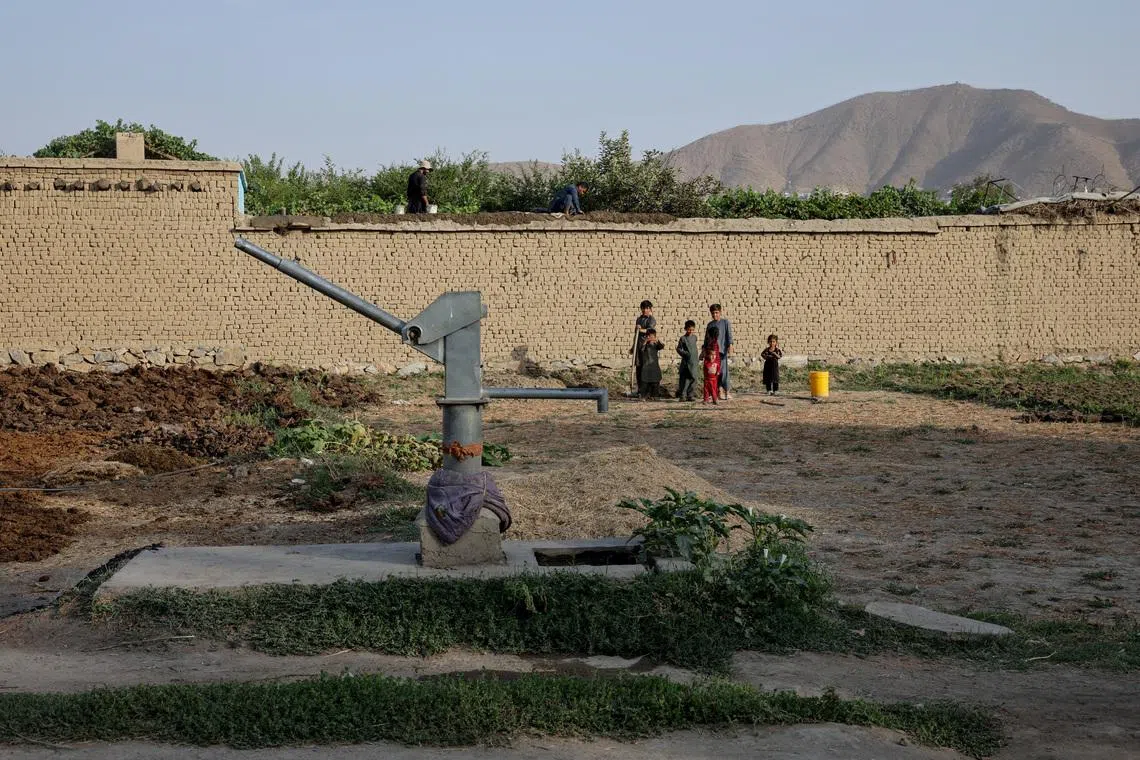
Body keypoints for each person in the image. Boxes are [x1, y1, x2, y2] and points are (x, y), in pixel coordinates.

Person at [705, 303, 734, 400]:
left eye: (717, 313)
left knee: (724, 372)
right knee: (714, 372)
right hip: (712, 353)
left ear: (720, 312)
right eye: (713, 313)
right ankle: (719, 391)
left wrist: (730, 345)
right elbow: (706, 339)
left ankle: (727, 391)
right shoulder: (710, 325)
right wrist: (704, 350)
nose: (715, 315)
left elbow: (729, 335)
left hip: (722, 351)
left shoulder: (725, 323)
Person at [628, 300, 656, 394]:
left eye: (647, 308)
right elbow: (636, 334)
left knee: (646, 367)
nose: (645, 310)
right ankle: (640, 389)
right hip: (638, 346)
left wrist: (640, 329)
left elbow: (650, 331)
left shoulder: (651, 319)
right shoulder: (639, 319)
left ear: (650, 309)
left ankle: (647, 390)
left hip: (646, 347)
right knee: (638, 366)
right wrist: (633, 347)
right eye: (643, 308)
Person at [675, 320, 699, 401]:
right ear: (685, 329)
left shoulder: (695, 337)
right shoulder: (683, 338)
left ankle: (690, 395)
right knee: (685, 380)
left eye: (692, 330)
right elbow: (678, 349)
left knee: (694, 378)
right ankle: (683, 395)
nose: (691, 331)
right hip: (686, 362)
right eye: (689, 330)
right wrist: (685, 353)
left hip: (694, 362)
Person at [638, 328, 665, 399]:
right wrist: (645, 342)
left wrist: (657, 341)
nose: (651, 338)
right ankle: (644, 395)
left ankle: (655, 395)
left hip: (654, 366)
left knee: (655, 381)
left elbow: (661, 346)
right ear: (646, 336)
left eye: (653, 336)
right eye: (649, 336)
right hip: (646, 366)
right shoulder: (644, 344)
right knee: (645, 382)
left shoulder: (655, 345)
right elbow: (641, 349)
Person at [699, 324, 720, 405]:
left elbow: (705, 353)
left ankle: (706, 399)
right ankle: (714, 398)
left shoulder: (707, 343)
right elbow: (716, 356)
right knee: (714, 384)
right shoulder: (715, 344)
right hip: (713, 365)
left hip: (708, 365)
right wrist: (717, 366)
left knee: (706, 385)